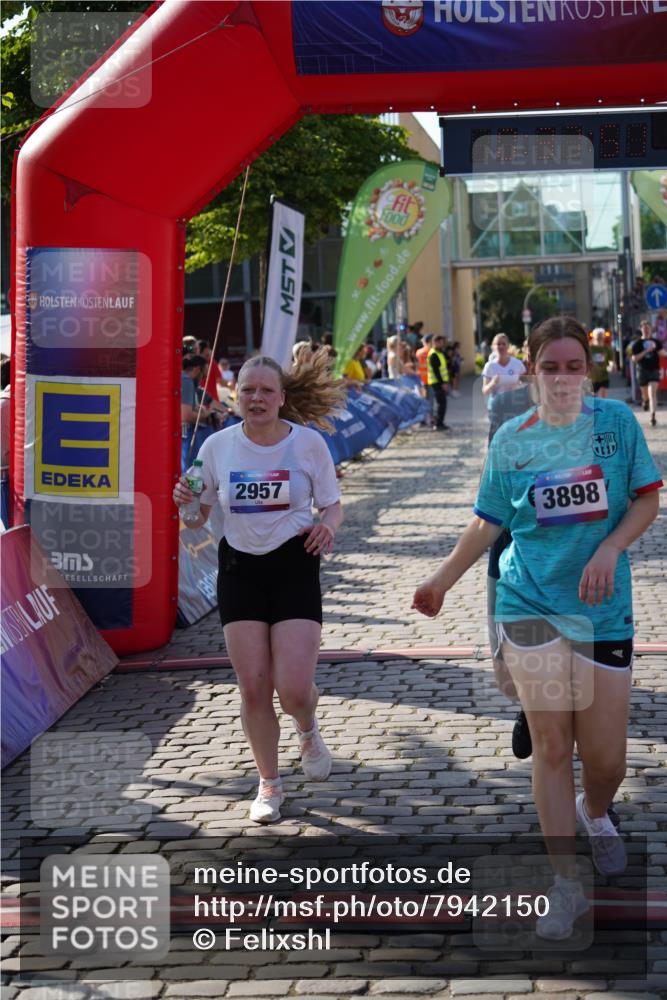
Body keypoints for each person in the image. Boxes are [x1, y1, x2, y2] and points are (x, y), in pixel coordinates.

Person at [413, 316, 662, 940]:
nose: (561, 377)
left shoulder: (615, 425)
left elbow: (647, 498)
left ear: (589, 369)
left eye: (573, 365)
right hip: (530, 606)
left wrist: (610, 549)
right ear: (531, 370)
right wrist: (441, 580)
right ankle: (566, 884)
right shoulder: (512, 440)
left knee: (606, 760)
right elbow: (486, 524)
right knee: (552, 747)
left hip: (602, 608)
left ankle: (595, 812)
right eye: (549, 366)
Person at [172, 352, 346, 824]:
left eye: (266, 390)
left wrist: (327, 527)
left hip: (294, 564)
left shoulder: (308, 444)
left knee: (291, 688)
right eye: (248, 390)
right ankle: (269, 783)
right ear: (235, 395)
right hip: (239, 570)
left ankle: (307, 728)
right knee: (253, 686)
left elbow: (331, 507)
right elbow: (196, 519)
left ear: (282, 398)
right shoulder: (217, 447)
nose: (256, 398)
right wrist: (185, 504)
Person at [632, 319, 664, 427]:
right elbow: (635, 358)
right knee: (645, 394)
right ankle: (645, 401)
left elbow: (662, 353)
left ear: (651, 329)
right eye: (644, 328)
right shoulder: (637, 344)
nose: (646, 330)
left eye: (648, 328)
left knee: (652, 393)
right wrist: (647, 350)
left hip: (654, 369)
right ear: (641, 330)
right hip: (642, 370)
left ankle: (653, 416)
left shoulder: (656, 342)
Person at [481, 333, 526, 400]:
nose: (501, 346)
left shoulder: (518, 364)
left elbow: (526, 384)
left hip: (515, 402)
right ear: (493, 347)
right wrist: (493, 383)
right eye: (498, 344)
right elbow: (485, 391)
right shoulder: (489, 366)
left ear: (508, 346)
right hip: (497, 404)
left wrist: (518, 386)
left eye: (503, 344)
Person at [427, 334, 450, 431]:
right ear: (435, 342)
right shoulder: (433, 354)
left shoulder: (439, 352)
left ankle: (439, 422)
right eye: (440, 342)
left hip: (439, 382)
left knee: (441, 403)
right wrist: (443, 383)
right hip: (437, 382)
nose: (442, 344)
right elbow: (436, 370)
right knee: (441, 403)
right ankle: (438, 423)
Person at [589, 328, 614, 398]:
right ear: (594, 336)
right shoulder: (589, 348)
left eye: (601, 335)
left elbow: (611, 360)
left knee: (603, 398)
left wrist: (611, 366)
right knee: (592, 400)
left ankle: (601, 408)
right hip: (592, 377)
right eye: (598, 335)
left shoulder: (607, 348)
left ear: (603, 337)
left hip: (604, 376)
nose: (599, 337)